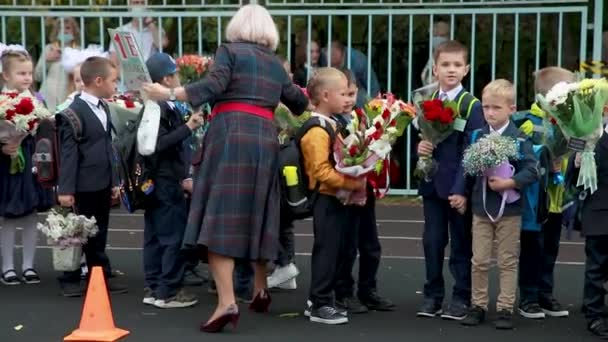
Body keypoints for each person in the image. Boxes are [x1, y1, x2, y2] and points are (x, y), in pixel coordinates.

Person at [142, 4, 309, 333]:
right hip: (264, 140)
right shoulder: (274, 64)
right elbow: (299, 103)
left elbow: (214, 86)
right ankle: (260, 288)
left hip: (230, 137)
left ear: (236, 27)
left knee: (221, 219)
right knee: (257, 212)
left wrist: (170, 93)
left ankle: (226, 302)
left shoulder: (229, 51)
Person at [461, 79, 538, 330]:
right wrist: (461, 192)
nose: (490, 113)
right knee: (479, 260)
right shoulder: (477, 135)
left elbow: (532, 170)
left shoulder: (519, 138)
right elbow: (467, 171)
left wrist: (509, 182)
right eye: (486, 107)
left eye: (496, 107)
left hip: (510, 210)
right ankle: (478, 305)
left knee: (507, 260)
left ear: (511, 109)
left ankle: (505, 307)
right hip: (481, 209)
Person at [416, 40, 484, 320]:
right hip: (432, 183)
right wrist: (419, 149)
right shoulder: (426, 100)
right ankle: (432, 295)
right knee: (432, 241)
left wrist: (461, 189)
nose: (451, 70)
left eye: (457, 65)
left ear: (466, 69)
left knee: (460, 243)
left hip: (458, 189)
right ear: (435, 68)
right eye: (445, 64)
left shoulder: (472, 105)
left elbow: (473, 151)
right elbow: (423, 138)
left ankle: (461, 296)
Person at [56, 56, 127, 297]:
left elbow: (108, 147)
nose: (116, 85)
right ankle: (70, 277)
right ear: (98, 81)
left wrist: (115, 180)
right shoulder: (72, 114)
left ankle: (99, 275)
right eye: (113, 80)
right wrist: (65, 190)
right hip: (82, 185)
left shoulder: (104, 106)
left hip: (102, 182)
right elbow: (68, 154)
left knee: (99, 232)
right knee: (77, 233)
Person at [300, 68, 365, 324]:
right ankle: (319, 303)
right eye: (342, 93)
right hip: (324, 198)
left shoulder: (332, 124)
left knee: (335, 250)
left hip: (334, 197)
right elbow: (320, 170)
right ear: (326, 96)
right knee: (326, 251)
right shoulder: (317, 129)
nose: (347, 98)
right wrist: (351, 183)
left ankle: (322, 300)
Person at [141, 52, 204, 308]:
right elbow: (158, 144)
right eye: (174, 74)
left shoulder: (154, 106)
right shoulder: (159, 108)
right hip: (166, 180)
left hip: (156, 180)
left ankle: (154, 286)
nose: (178, 78)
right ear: (166, 79)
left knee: (154, 235)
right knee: (172, 236)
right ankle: (168, 291)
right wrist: (188, 127)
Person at [333, 68, 395, 314]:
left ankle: (368, 290)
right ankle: (343, 292)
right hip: (343, 194)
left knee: (371, 245)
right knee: (346, 245)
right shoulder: (332, 122)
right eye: (343, 94)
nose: (348, 99)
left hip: (365, 190)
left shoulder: (363, 116)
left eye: (351, 93)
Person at [516, 67, 575, 320]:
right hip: (534, 200)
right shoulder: (528, 122)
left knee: (551, 246)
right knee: (533, 246)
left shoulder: (571, 122)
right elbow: (521, 155)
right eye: (569, 90)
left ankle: (545, 292)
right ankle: (528, 296)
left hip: (557, 197)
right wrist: (545, 157)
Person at [0, 49, 54, 286]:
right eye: (21, 73)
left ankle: (29, 265)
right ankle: (8, 266)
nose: (26, 78)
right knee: (10, 215)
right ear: (5, 75)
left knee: (31, 214)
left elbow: (43, 127)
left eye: (29, 73)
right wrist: (4, 146)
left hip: (30, 159)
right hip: (5, 163)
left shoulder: (36, 99)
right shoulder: (3, 101)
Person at [575, 127, 608, 338]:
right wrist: (578, 162)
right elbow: (574, 176)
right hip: (599, 210)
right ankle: (594, 314)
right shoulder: (591, 136)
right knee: (597, 265)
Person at [35, 17, 81, 110]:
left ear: (74, 31)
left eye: (68, 28)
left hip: (68, 96)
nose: (64, 31)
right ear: (56, 31)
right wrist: (47, 60)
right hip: (46, 96)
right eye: (61, 28)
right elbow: (37, 76)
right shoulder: (49, 48)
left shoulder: (79, 50)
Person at [325, 40, 379, 108]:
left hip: (358, 91)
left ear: (343, 54)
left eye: (337, 65)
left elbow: (373, 87)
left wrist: (375, 110)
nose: (335, 69)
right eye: (332, 65)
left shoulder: (358, 60)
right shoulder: (322, 55)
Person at [421, 20, 450, 87]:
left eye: (442, 35)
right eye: (435, 35)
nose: (438, 38)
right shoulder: (423, 54)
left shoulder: (455, 55)